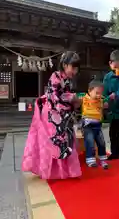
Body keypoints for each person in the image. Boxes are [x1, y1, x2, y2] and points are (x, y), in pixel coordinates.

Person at [22, 51, 82, 179]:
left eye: (77, 68)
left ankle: (66, 171)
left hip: (64, 115)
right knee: (54, 141)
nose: (75, 71)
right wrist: (72, 98)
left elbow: (68, 98)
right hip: (52, 114)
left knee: (66, 141)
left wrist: (74, 103)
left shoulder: (69, 81)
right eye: (73, 67)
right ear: (65, 65)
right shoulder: (55, 76)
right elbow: (54, 95)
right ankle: (53, 171)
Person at [81, 80, 108, 169]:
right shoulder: (84, 99)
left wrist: (106, 105)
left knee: (102, 143)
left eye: (100, 93)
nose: (99, 95)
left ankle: (103, 159)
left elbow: (105, 104)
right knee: (90, 142)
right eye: (97, 93)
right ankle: (90, 160)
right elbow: (75, 100)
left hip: (98, 125)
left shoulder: (101, 100)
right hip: (87, 126)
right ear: (89, 91)